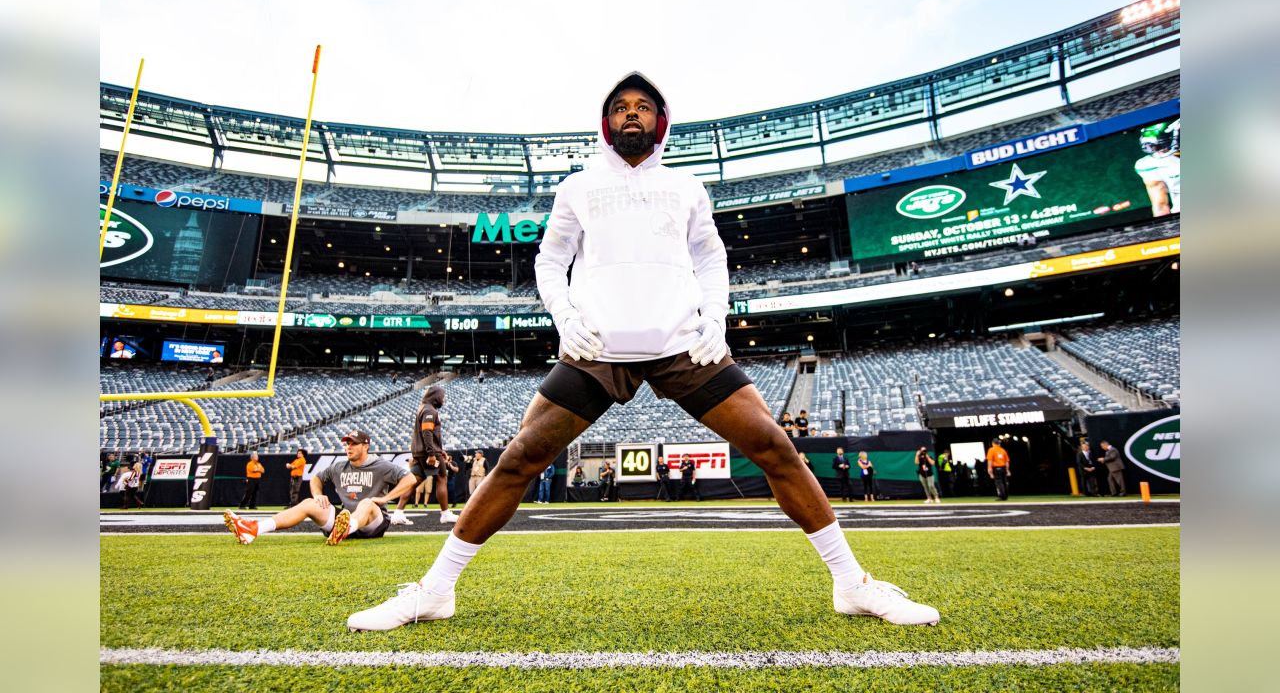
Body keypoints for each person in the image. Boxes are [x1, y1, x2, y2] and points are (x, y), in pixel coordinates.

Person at [345, 72, 938, 632]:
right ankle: (436, 589)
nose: (632, 115)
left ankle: (851, 582)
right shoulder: (579, 184)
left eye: (643, 107)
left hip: (682, 343)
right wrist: (567, 318)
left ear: (661, 120)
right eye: (621, 108)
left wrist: (715, 318)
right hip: (598, 345)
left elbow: (710, 258)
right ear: (606, 122)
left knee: (775, 447)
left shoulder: (685, 185)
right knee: (520, 458)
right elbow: (549, 261)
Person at [223, 430, 415, 546]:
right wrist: (317, 495)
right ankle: (254, 529)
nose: (348, 447)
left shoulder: (381, 465)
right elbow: (316, 478)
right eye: (347, 444)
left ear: (366, 446)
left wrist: (384, 499)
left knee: (367, 503)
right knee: (309, 503)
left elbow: (410, 479)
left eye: (354, 444)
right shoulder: (339, 466)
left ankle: (345, 529)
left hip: (373, 523)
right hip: (344, 519)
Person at [391, 386, 458, 526]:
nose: (443, 400)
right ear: (436, 396)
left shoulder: (422, 408)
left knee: (413, 481)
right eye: (442, 397)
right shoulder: (429, 410)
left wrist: (440, 449)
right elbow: (427, 432)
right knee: (441, 478)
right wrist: (432, 453)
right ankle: (445, 514)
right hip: (428, 453)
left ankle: (398, 513)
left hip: (420, 452)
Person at [1135, 119, 1180, 217]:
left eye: (1163, 145)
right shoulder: (1150, 165)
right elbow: (1160, 205)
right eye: (1153, 147)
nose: (1158, 153)